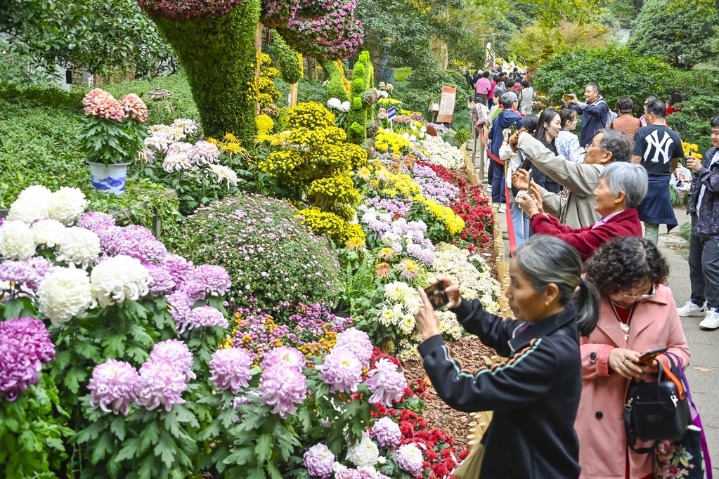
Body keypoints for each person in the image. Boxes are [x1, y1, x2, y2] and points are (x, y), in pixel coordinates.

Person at [415, 235, 599, 479]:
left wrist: (432, 341)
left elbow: (465, 390)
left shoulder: (548, 353)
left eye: (517, 284)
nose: (508, 292)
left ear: (550, 293)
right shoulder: (553, 323)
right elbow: (504, 332)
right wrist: (461, 306)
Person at [578, 236, 689, 479]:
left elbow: (681, 350)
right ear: (608, 279)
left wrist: (656, 364)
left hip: (648, 416)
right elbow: (561, 354)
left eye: (643, 291)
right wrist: (605, 356)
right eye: (625, 292)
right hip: (593, 416)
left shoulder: (664, 297)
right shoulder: (583, 294)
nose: (633, 297)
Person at [517, 161, 647, 261]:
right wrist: (540, 213)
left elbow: (565, 244)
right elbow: (573, 233)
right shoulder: (617, 222)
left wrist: (535, 214)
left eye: (600, 187)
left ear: (619, 196)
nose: (595, 192)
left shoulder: (616, 231)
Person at [513, 129, 631, 228]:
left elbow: (554, 164)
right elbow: (561, 207)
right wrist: (532, 186)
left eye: (592, 145)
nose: (587, 149)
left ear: (606, 156)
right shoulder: (600, 176)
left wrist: (523, 138)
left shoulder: (600, 174)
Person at [677, 115, 719, 329]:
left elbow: (716, 185)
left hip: (716, 223)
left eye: (717, 133)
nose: (713, 136)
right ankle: (697, 302)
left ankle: (715, 309)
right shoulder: (711, 153)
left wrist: (700, 169)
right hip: (700, 217)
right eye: (713, 132)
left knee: (710, 265)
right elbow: (702, 183)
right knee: (694, 262)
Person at [631, 99, 681, 244]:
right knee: (652, 225)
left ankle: (635, 253)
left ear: (651, 114)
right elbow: (675, 163)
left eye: (646, 113)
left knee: (630, 217)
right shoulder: (674, 136)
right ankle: (650, 258)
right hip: (661, 184)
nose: (645, 116)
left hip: (642, 181)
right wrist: (667, 174)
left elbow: (636, 159)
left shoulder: (642, 132)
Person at [501, 114, 539, 246]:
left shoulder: (517, 141)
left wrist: (505, 140)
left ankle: (517, 246)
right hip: (531, 182)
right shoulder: (537, 142)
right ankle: (527, 244)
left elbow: (501, 154)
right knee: (528, 214)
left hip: (517, 182)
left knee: (516, 214)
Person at [488, 91, 523, 212]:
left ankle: (495, 201)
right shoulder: (518, 119)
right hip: (508, 150)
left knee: (497, 175)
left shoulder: (498, 115)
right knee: (505, 176)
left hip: (496, 149)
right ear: (514, 104)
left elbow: (491, 134)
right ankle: (504, 202)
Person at [565, 82, 610, 149]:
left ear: (596, 93)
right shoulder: (586, 105)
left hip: (597, 143)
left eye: (588, 92)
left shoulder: (602, 105)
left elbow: (595, 110)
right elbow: (576, 109)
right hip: (584, 141)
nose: (585, 94)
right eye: (585, 91)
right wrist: (567, 104)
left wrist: (578, 102)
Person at [529, 109, 563, 194]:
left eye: (560, 124)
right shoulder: (542, 148)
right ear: (545, 124)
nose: (560, 127)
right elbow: (538, 179)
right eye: (557, 123)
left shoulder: (551, 145)